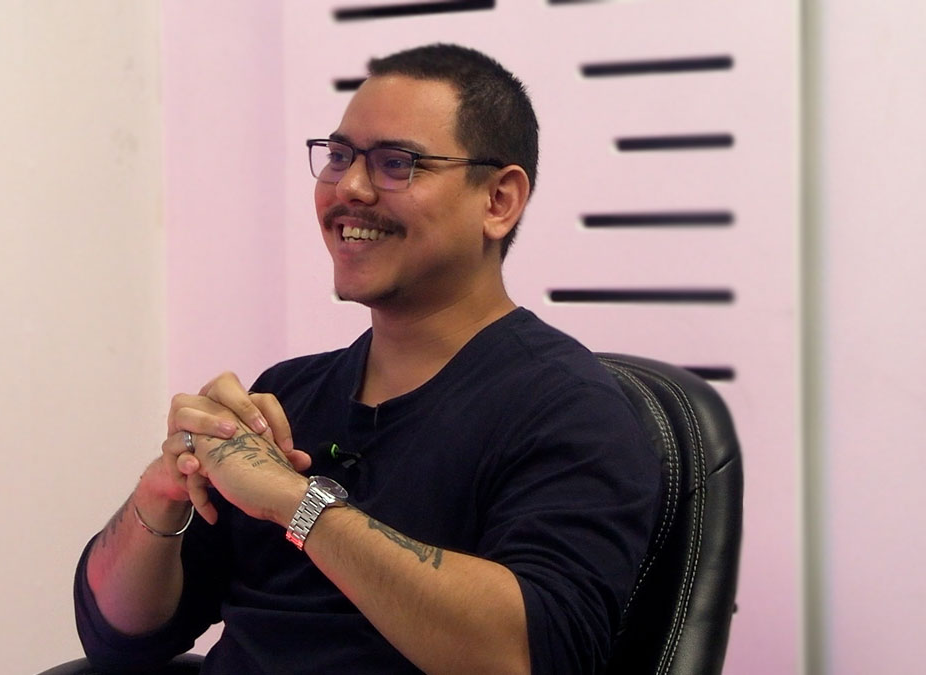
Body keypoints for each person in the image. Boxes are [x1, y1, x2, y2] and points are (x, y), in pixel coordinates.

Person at [74, 44, 660, 674]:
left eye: (395, 164)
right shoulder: (287, 397)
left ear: (498, 201)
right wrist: (164, 488)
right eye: (338, 157)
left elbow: (534, 654)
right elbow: (120, 637)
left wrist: (294, 503)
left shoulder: (572, 410)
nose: (349, 188)